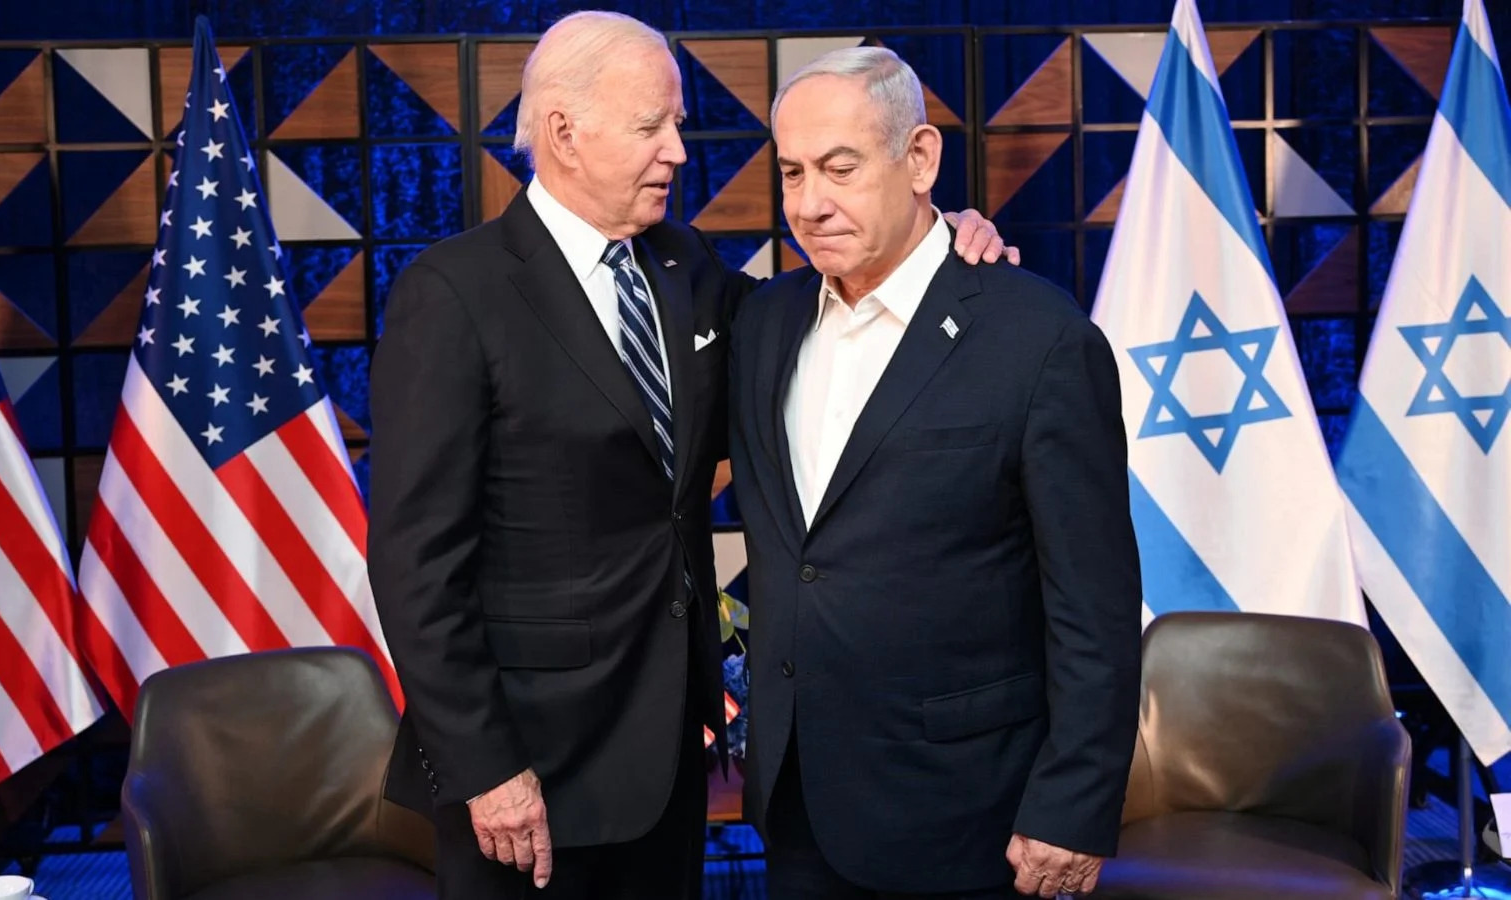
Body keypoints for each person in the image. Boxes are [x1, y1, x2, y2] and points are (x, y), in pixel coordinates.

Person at [367, 13, 1012, 899]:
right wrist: (484, 768)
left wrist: (939, 239)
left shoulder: (683, 264)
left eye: (675, 123)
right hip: (527, 774)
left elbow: (821, 316)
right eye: (652, 127)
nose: (679, 149)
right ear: (563, 132)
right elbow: (415, 567)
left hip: (670, 757)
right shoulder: (452, 294)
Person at [727, 46, 1143, 899]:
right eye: (794, 172)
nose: (810, 204)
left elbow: (1093, 605)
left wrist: (1073, 804)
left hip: (969, 817)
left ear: (919, 159)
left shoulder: (1040, 341)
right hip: (797, 801)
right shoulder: (761, 324)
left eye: (841, 168)